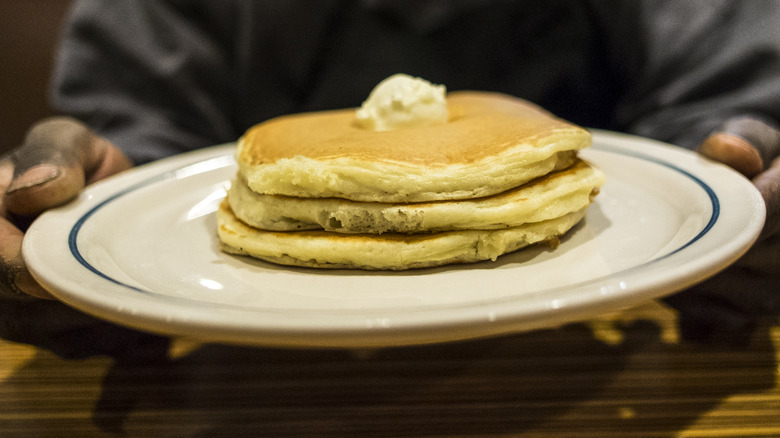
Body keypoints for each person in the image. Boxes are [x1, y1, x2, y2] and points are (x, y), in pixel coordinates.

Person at [1, 0, 778, 349]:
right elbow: (143, 155)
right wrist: (82, 242)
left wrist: (744, 189)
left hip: (606, 351)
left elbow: (724, 111)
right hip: (244, 382)